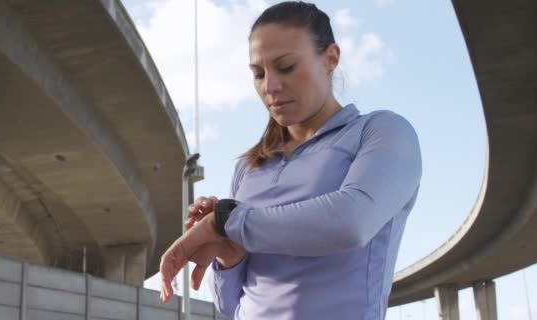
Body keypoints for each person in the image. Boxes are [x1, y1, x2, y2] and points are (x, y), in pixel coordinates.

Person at [159, 1, 422, 319]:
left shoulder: (381, 132)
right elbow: (231, 307)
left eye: (285, 67)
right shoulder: (249, 167)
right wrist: (229, 255)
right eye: (258, 74)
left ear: (331, 58)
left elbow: (350, 223)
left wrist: (229, 221)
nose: (269, 86)